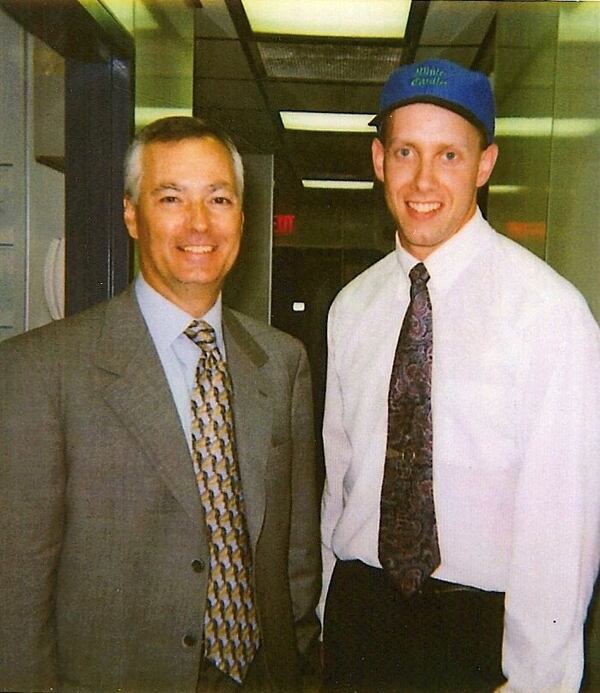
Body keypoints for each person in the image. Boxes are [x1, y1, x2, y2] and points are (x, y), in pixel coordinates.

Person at [0, 116, 321, 692]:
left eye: (219, 199)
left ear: (242, 219)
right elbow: (16, 599)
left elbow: (294, 561)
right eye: (171, 197)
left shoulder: (282, 361)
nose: (199, 223)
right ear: (131, 214)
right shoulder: (39, 372)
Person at [319, 58, 600, 692]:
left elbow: (564, 523)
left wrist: (536, 680)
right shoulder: (351, 308)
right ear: (378, 160)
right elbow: (339, 479)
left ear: (485, 164)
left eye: (449, 155)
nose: (423, 179)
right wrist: (328, 617)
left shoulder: (549, 314)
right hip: (361, 615)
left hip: (479, 631)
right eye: (405, 152)